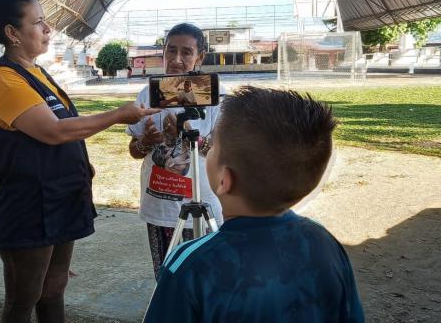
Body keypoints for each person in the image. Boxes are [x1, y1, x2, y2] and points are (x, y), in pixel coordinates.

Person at [0, 0, 159, 323]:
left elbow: (64, 129)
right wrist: (118, 115)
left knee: (54, 289)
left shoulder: (38, 73)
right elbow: (54, 131)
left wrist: (80, 164)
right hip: (30, 207)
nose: (47, 30)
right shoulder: (3, 79)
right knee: (22, 300)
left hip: (61, 198)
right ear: (13, 34)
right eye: (38, 22)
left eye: (46, 22)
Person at [144, 87, 365, 323]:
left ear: (224, 180)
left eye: (214, 147)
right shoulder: (325, 243)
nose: (209, 151)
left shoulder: (189, 265)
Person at [126, 23, 225, 280]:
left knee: (207, 281)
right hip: (160, 206)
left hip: (205, 204)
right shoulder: (148, 95)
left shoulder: (216, 95)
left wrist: (191, 134)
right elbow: (134, 150)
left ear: (200, 57)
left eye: (186, 52)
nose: (177, 60)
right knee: (168, 279)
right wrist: (147, 140)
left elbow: (224, 154)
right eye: (171, 51)